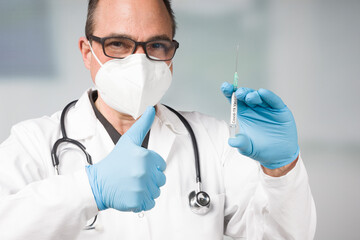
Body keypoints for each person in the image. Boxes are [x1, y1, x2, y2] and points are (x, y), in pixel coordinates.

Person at [0, 0, 316, 239]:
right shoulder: (33, 143)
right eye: (118, 44)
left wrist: (280, 171)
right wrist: (89, 190)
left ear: (171, 57)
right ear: (87, 51)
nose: (139, 61)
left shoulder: (215, 142)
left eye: (156, 45)